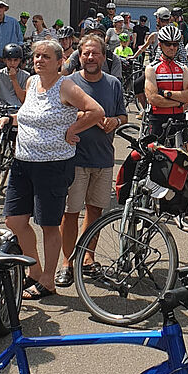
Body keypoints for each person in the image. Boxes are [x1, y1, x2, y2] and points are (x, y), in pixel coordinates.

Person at [5, 37, 104, 299]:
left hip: (53, 165)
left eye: (46, 56)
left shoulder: (66, 86)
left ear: (60, 62)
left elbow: (96, 111)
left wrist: (73, 129)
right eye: (37, 56)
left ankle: (48, 280)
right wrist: (10, 119)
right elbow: (31, 113)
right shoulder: (31, 82)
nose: (39, 60)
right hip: (22, 162)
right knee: (14, 220)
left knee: (49, 224)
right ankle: (34, 271)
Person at [56, 34, 128, 288]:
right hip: (74, 157)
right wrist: (86, 115)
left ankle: (88, 258)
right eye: (86, 53)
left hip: (103, 158)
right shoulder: (68, 83)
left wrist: (114, 122)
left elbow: (124, 115)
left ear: (104, 56)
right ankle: (67, 262)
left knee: (95, 211)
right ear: (79, 55)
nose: (90, 57)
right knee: (71, 212)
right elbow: (59, 113)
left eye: (95, 53)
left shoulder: (113, 84)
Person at [145, 23, 188, 141]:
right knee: (155, 155)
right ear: (160, 45)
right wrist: (179, 102)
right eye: (168, 44)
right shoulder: (152, 68)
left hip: (178, 117)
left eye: (175, 44)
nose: (172, 47)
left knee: (183, 154)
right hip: (158, 118)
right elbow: (153, 99)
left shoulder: (183, 68)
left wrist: (167, 94)